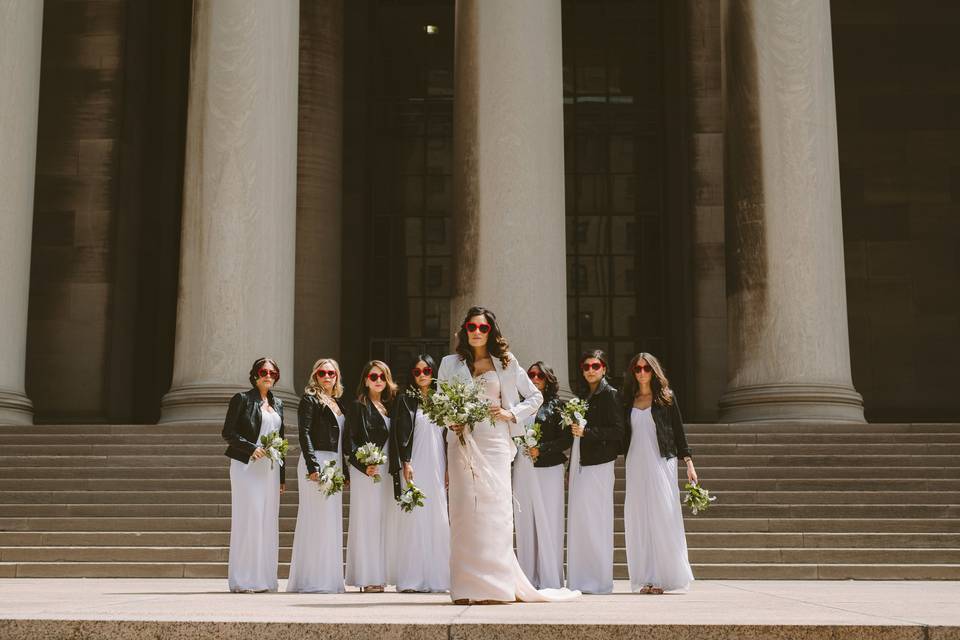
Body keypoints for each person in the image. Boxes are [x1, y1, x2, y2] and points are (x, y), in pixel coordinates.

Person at [438, 305, 580, 604]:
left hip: (494, 442)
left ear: (491, 331)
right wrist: (450, 419)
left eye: (483, 328)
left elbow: (536, 396)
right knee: (464, 512)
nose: (477, 332)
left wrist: (510, 413)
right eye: (472, 327)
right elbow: (441, 401)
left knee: (494, 512)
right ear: (464, 330)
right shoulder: (450, 363)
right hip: (461, 441)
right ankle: (465, 587)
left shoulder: (506, 362)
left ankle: (495, 586)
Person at [622, 352, 695, 594]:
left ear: (654, 371)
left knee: (663, 515)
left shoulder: (666, 398)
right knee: (640, 517)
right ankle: (646, 578)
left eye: (646, 368)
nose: (641, 372)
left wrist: (689, 462)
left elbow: (678, 431)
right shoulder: (627, 400)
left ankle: (666, 577)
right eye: (637, 369)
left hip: (662, 461)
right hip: (635, 462)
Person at [221, 357, 285, 593]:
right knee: (249, 518)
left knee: (267, 520)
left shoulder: (278, 403)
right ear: (255, 374)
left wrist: (282, 477)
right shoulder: (242, 400)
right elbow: (228, 432)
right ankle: (243, 579)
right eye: (264, 371)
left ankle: (264, 578)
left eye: (273, 373)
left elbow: (282, 440)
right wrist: (252, 448)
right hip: (246, 466)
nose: (268, 376)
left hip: (269, 469)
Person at [388, 354, 451, 592]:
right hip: (414, 463)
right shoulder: (404, 400)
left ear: (433, 373)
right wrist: (405, 461)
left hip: (438, 464)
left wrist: (449, 468)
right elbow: (398, 434)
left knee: (437, 516)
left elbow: (448, 437)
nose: (422, 375)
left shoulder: (441, 400)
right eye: (417, 372)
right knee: (414, 517)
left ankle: (438, 578)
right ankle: (412, 579)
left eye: (426, 371)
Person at [287, 358, 347, 593]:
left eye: (331, 373)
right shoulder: (310, 400)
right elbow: (305, 433)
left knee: (330, 521)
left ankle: (329, 580)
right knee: (316, 520)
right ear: (315, 376)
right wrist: (313, 466)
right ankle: (312, 580)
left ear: (337, 376)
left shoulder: (337, 403)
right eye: (322, 373)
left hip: (334, 464)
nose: (327, 377)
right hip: (318, 463)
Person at [566, 350, 623, 594]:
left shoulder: (610, 395)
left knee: (597, 521)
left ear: (604, 368)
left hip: (600, 464)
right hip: (582, 463)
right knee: (582, 521)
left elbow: (619, 431)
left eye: (595, 365)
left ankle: (599, 581)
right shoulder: (583, 396)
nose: (590, 369)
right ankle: (581, 579)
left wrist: (588, 433)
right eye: (586, 365)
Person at [513, 360, 570, 589]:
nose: (535, 379)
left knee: (549, 520)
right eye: (531, 375)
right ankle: (527, 577)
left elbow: (566, 439)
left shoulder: (557, 406)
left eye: (540, 376)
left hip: (549, 469)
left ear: (548, 380)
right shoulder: (519, 405)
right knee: (525, 521)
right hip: (523, 469)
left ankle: (549, 579)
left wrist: (542, 449)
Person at [345, 360, 397, 592]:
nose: (378, 381)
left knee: (382, 520)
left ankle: (380, 574)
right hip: (366, 469)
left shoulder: (389, 407)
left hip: (385, 470)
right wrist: (362, 464)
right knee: (366, 520)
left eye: (382, 377)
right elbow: (350, 440)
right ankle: (367, 578)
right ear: (366, 380)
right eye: (373, 377)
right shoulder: (358, 406)